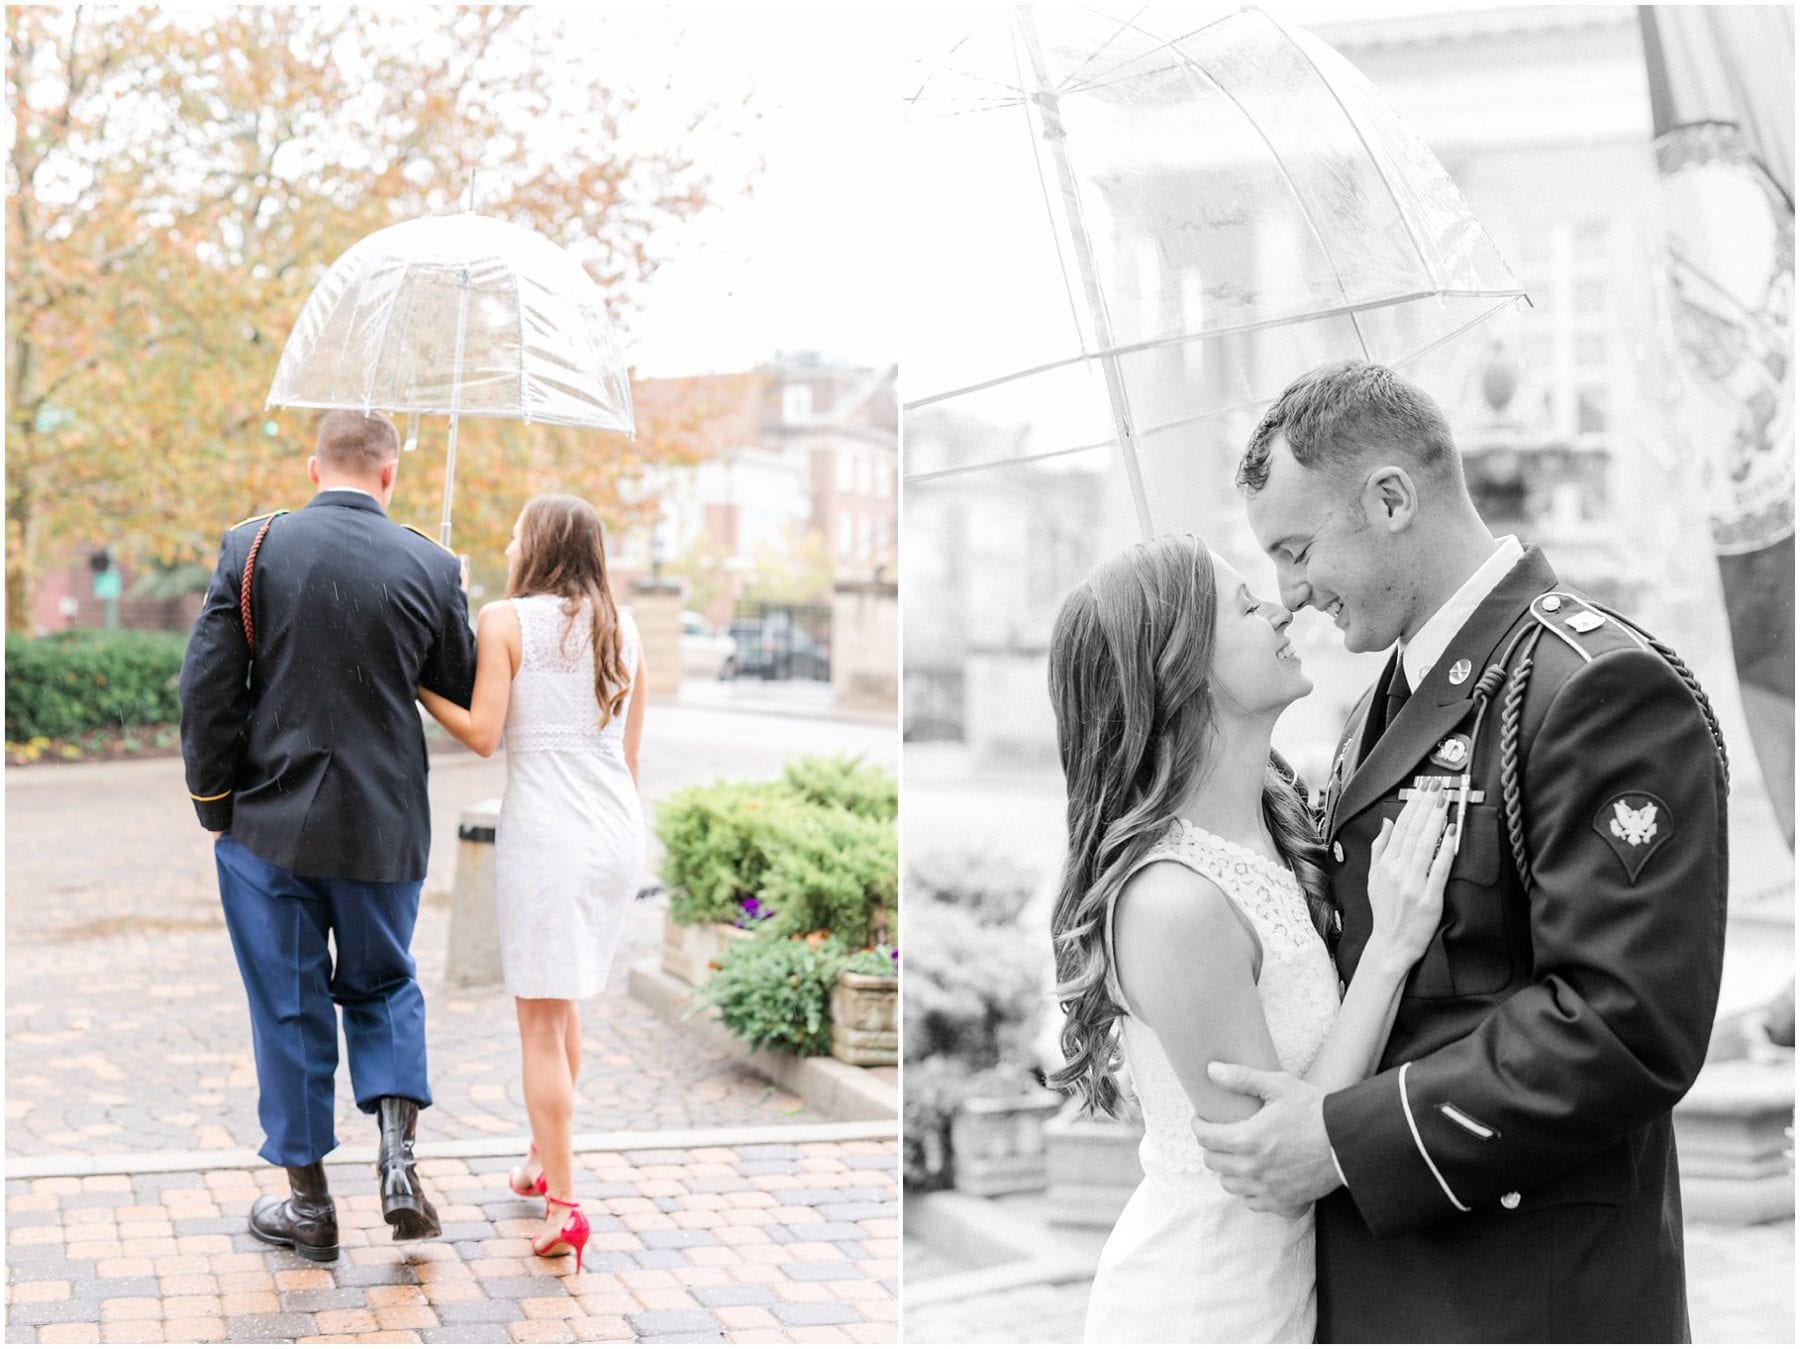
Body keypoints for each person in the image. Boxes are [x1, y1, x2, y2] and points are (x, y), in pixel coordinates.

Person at [1193, 360, 1730, 1342]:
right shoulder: (1373, 705)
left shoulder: (1594, 688)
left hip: (1526, 1292)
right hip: (1388, 1281)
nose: (1292, 592)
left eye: (1300, 548)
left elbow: (1625, 1022)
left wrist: (1346, 1138)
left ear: (1392, 498)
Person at [1046, 532, 1453, 1342]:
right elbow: (1279, 1164)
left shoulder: (1280, 820)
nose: (1281, 604)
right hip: (1207, 1304)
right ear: (1180, 666)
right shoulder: (1173, 903)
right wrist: (1391, 950)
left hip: (1297, 1290)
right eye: (1244, 603)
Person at [179, 409, 477, 1262]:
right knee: (385, 985)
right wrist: (443, 593)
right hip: (386, 827)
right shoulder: (429, 560)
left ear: (315, 467)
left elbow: (207, 693)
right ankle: (398, 1161)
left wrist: (214, 803)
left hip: (269, 827)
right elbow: (452, 686)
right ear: (390, 474)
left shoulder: (254, 548)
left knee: (289, 1004)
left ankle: (310, 1211)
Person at [417, 493, 647, 1273]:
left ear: (537, 543)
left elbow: (482, 734)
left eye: (518, 529)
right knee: (565, 999)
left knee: (540, 1023)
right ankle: (539, 1161)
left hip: (547, 836)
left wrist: (419, 683)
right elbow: (632, 757)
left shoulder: (504, 617)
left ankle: (565, 1204)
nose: (511, 538)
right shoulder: (626, 626)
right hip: (616, 833)